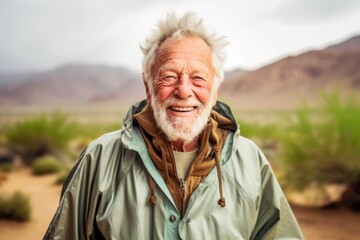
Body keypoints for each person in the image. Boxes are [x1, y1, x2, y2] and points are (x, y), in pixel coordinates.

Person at [44, 12, 304, 239]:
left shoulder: (249, 160)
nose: (183, 90)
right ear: (148, 87)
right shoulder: (100, 158)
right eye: (169, 76)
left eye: (198, 78)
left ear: (214, 92)